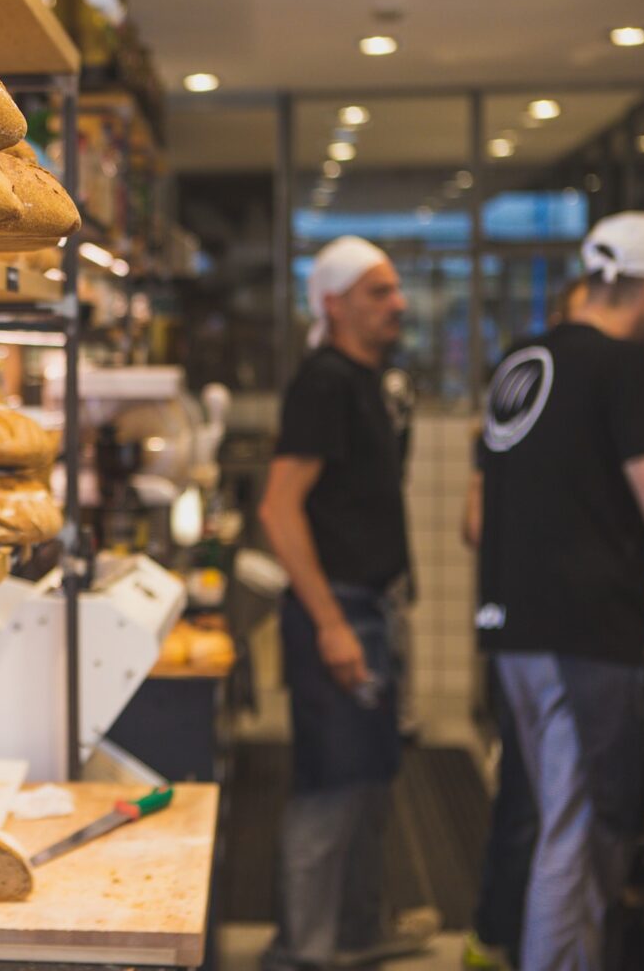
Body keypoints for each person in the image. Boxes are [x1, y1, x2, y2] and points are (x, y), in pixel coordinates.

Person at [474, 211, 644, 971]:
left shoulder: (522, 361)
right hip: (582, 633)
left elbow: (527, 498)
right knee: (581, 828)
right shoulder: (624, 368)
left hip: (514, 625)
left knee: (561, 816)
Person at [258, 236, 437, 969]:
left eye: (395, 291)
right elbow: (278, 509)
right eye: (377, 292)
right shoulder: (325, 382)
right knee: (331, 787)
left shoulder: (371, 379)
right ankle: (301, 951)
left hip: (374, 608)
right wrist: (333, 624)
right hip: (341, 613)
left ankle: (359, 932)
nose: (396, 305)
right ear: (332, 303)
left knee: (371, 778)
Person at [461, 279, 585, 971]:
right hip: (560, 634)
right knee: (551, 808)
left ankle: (491, 937)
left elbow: (474, 524)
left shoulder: (514, 400)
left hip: (512, 626)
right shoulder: (584, 402)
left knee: (526, 796)